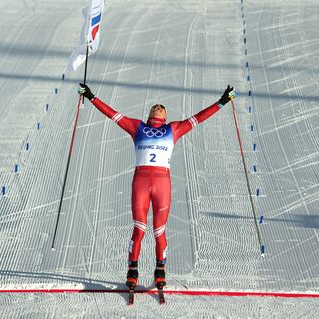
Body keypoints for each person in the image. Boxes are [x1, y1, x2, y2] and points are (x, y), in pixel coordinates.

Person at [78, 83, 236, 289]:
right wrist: (91, 96)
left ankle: (160, 270)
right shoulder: (137, 127)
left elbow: (198, 118)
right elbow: (113, 114)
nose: (158, 107)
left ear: (165, 115)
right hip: (141, 183)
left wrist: (222, 102)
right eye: (155, 106)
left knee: (159, 231)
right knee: (139, 230)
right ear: (150, 112)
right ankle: (132, 270)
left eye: (161, 107)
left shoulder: (174, 129)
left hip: (162, 184)